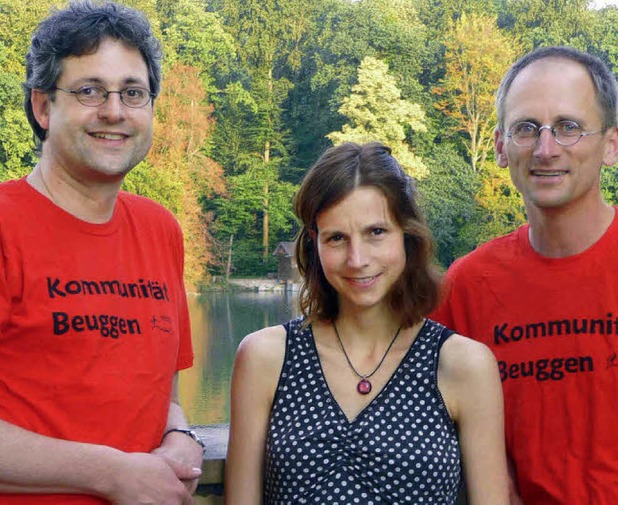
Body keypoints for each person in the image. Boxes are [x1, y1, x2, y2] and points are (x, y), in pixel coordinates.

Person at [225, 142, 509, 504]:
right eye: (337, 238)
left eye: (376, 232)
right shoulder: (265, 358)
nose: (357, 260)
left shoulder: (462, 364)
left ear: (407, 236)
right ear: (315, 245)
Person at [0, 1, 204, 503]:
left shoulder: (160, 230)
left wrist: (180, 434)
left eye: (133, 93)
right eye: (89, 90)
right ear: (43, 107)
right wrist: (110, 474)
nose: (114, 111)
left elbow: (162, 396)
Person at [430, 46, 618, 505]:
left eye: (569, 127)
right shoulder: (465, 289)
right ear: (502, 147)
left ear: (611, 144)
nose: (546, 150)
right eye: (527, 128)